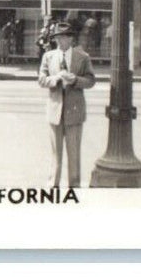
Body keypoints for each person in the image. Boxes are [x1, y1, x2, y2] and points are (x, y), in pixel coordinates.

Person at [37, 22, 96, 188]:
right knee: (56, 153)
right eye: (58, 38)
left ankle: (74, 186)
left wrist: (75, 80)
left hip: (74, 111)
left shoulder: (82, 57)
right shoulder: (48, 57)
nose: (60, 41)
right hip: (55, 110)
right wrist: (54, 79)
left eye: (64, 37)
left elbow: (91, 80)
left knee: (73, 152)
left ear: (71, 39)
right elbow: (41, 79)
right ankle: (53, 185)